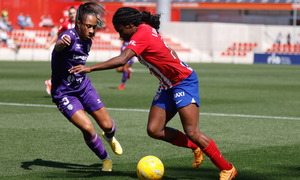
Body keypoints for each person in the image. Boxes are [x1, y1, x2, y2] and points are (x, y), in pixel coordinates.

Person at [69, 7, 236, 180]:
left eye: (120, 31)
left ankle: (227, 168)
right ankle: (195, 147)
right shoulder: (144, 29)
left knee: (193, 131)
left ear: (130, 25)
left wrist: (90, 68)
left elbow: (122, 59)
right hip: (167, 85)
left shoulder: (141, 34)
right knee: (154, 129)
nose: (120, 35)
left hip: (183, 82)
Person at [51, 2, 122, 172]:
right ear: (79, 24)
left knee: (107, 126)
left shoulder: (88, 40)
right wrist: (61, 42)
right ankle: (106, 160)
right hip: (65, 94)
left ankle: (110, 136)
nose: (92, 30)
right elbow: (58, 46)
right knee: (88, 128)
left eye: (94, 27)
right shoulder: (69, 37)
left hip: (84, 87)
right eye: (88, 26)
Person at [45, 6, 77, 95]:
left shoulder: (80, 23)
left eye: (74, 13)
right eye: (70, 13)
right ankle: (53, 83)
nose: (72, 15)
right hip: (65, 52)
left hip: (75, 52)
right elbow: (58, 34)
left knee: (70, 71)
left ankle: (52, 83)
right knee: (69, 70)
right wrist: (49, 43)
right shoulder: (65, 24)